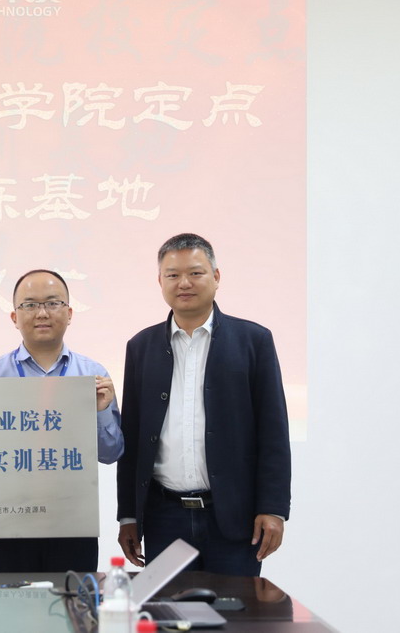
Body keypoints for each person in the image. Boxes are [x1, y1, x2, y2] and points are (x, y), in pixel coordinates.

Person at [116, 234, 291, 576]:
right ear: (160, 281)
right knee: (167, 608)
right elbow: (132, 438)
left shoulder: (253, 341)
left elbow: (273, 432)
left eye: (195, 273)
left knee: (235, 609)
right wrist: (128, 516)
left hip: (234, 517)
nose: (184, 283)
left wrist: (273, 507)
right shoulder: (141, 347)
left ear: (216, 276)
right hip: (164, 517)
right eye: (173, 275)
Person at [0, 269, 124, 573]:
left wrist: (100, 411)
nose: (42, 313)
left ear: (69, 313)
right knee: (8, 600)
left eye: (53, 303)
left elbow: (111, 453)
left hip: (73, 523)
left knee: (73, 602)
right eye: (30, 305)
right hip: (7, 524)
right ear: (14, 317)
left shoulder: (92, 374)